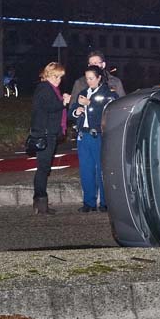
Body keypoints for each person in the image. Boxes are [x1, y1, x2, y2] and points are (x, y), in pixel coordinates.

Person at [69, 66, 118, 212]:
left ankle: (104, 203)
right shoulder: (83, 93)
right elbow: (72, 111)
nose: (89, 81)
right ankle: (88, 203)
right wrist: (76, 112)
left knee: (101, 170)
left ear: (99, 78)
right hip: (83, 136)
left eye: (91, 78)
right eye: (87, 78)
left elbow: (109, 113)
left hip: (99, 136)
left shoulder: (108, 94)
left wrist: (90, 105)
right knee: (86, 170)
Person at [30, 62, 71, 215]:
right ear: (47, 74)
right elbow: (50, 107)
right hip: (45, 135)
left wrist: (61, 100)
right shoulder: (44, 88)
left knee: (44, 168)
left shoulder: (50, 88)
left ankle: (40, 204)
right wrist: (63, 102)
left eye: (60, 77)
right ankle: (40, 202)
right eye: (56, 76)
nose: (58, 80)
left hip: (49, 134)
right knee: (43, 169)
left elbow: (52, 106)